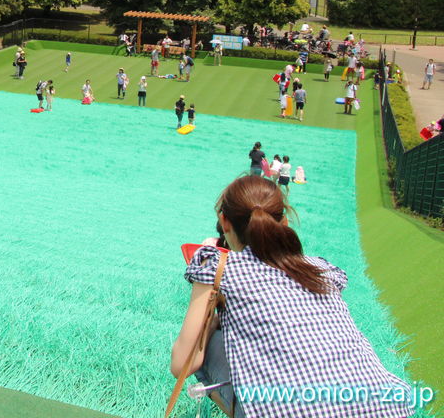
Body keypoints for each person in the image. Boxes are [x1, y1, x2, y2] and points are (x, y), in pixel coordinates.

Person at [171, 175, 413, 418]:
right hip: (387, 407)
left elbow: (182, 364)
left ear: (224, 222)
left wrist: (211, 321)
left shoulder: (218, 267)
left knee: (210, 339)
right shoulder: (320, 269)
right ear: (284, 220)